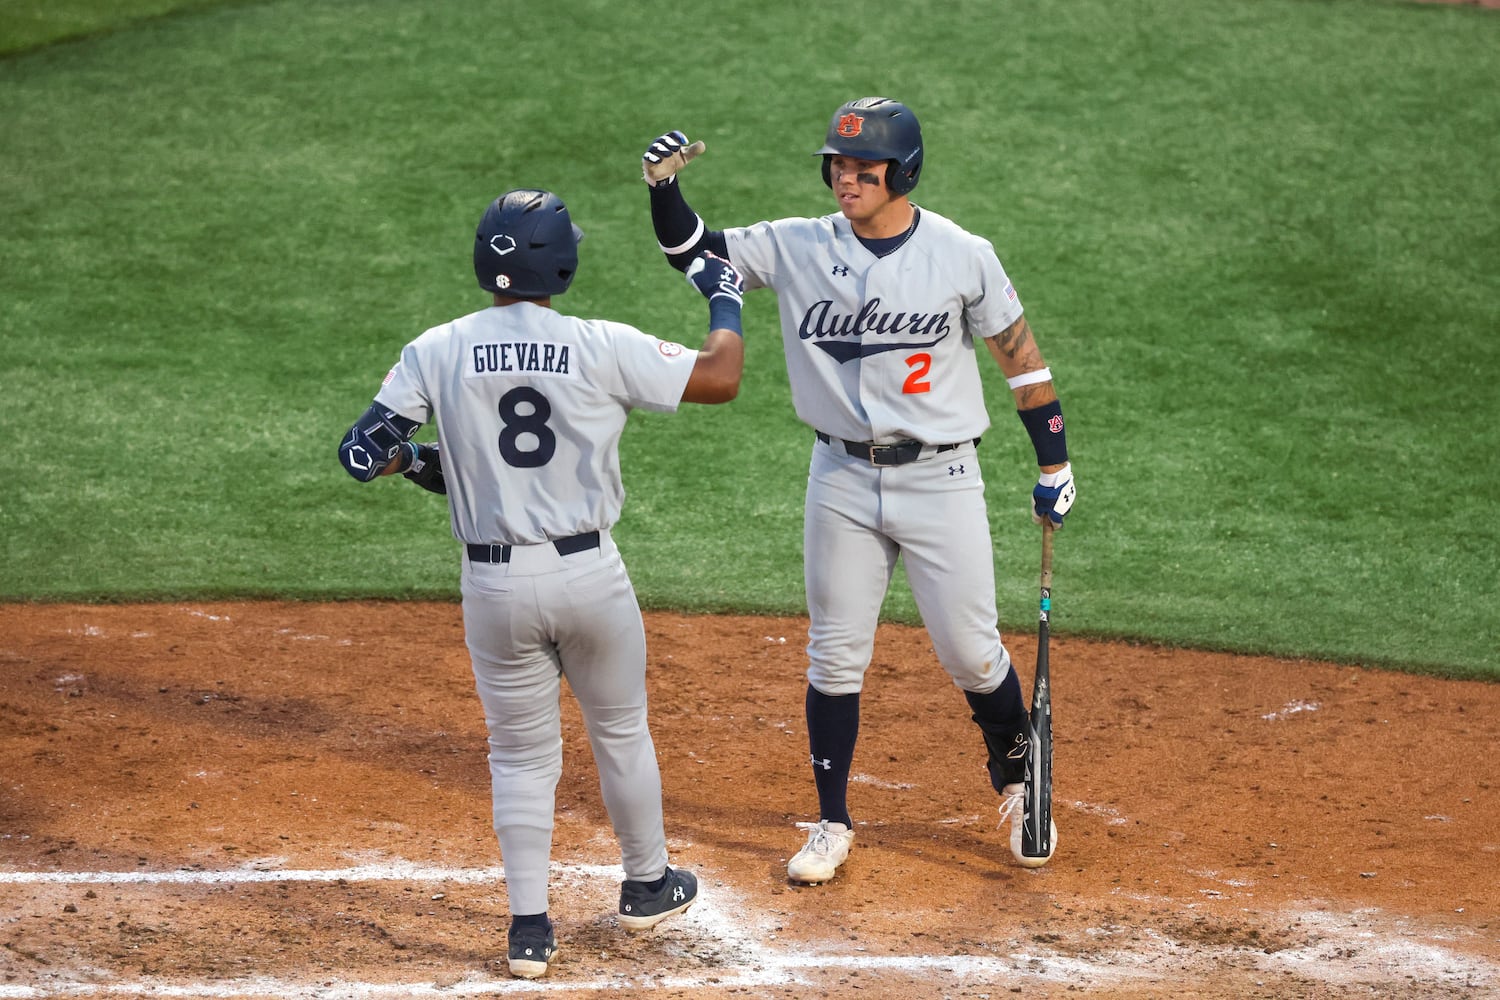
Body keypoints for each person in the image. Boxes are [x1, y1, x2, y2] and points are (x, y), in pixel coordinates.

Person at [639, 97, 1076, 883]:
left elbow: (1024, 362)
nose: (846, 178)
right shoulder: (798, 245)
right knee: (835, 656)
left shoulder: (962, 254)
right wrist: (663, 189)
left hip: (942, 477)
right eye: (837, 165)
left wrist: (1055, 465)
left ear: (901, 172)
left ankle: (1015, 781)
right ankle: (832, 819)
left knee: (974, 656)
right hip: (839, 476)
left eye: (862, 166)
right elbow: (697, 255)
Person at [337, 188, 747, 977]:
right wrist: (724, 299)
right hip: (589, 574)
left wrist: (424, 460)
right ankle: (648, 885)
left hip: (492, 588)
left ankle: (529, 932)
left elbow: (365, 453)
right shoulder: (599, 343)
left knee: (520, 757)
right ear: (560, 262)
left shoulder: (437, 347)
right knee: (620, 731)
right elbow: (721, 378)